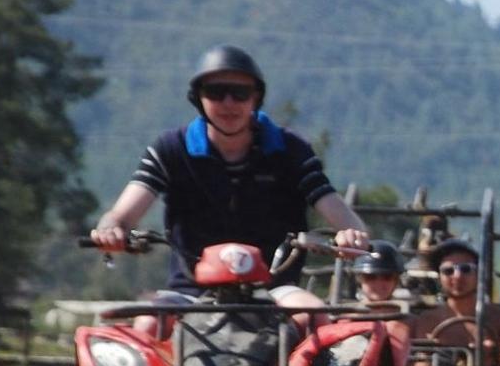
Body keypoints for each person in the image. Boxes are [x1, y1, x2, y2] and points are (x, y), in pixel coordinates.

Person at [89, 46, 368, 333]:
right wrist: (110, 230)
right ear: (198, 97)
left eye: (240, 93)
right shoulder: (171, 149)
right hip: (191, 291)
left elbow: (348, 222)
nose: (228, 102)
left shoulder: (292, 151)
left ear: (256, 97)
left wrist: (351, 236)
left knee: (311, 317)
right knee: (149, 324)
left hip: (273, 290)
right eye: (216, 91)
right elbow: (121, 216)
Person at [412, 238, 500, 366]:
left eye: (465, 269)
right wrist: (443, 359)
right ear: (439, 277)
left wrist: (494, 352)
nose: (457, 276)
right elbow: (419, 365)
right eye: (448, 270)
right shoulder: (427, 320)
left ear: (478, 274)